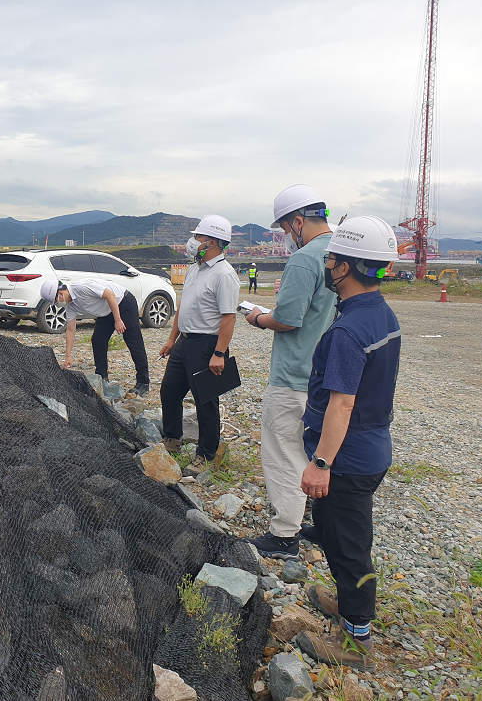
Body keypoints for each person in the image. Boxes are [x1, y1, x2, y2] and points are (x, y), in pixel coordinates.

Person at [291, 216, 401, 672]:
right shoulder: (380, 314)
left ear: (349, 267)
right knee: (340, 538)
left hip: (347, 460)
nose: (328, 263)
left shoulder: (346, 333)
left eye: (333, 258)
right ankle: (346, 600)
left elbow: (342, 405)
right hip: (371, 449)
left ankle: (357, 641)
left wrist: (320, 463)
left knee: (349, 545)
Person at [245, 184, 336, 560]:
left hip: (294, 374)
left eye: (285, 229)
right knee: (319, 452)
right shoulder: (343, 253)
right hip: (329, 378)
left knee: (284, 451)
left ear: (298, 222)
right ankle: (322, 525)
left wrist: (258, 317)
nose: (286, 237)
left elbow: (287, 319)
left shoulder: (304, 259)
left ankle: (285, 536)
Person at [158, 215, 239, 475]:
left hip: (207, 344)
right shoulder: (195, 268)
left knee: (205, 402)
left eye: (198, 237)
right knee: (169, 390)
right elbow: (184, 306)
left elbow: (228, 317)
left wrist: (219, 353)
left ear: (212, 241)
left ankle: (205, 455)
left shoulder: (224, 274)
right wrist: (172, 339)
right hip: (185, 341)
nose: (193, 242)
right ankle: (171, 440)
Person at [40, 277, 150, 395]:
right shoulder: (70, 306)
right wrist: (68, 356)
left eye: (56, 301)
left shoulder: (81, 287)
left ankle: (143, 382)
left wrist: (118, 320)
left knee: (133, 340)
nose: (57, 305)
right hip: (106, 312)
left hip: (122, 302)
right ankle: (102, 378)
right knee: (98, 340)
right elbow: (71, 330)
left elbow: (110, 295)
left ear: (60, 293)